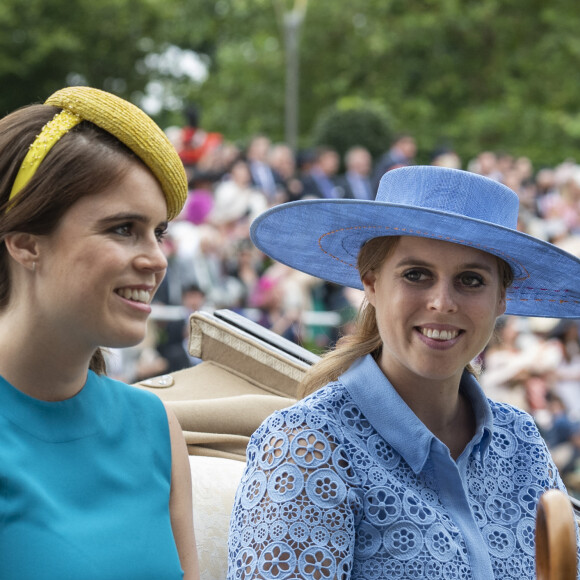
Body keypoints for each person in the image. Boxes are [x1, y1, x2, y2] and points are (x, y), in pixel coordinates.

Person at [227, 165, 580, 578]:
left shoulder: (519, 441)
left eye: (470, 280)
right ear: (371, 282)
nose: (442, 302)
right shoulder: (309, 447)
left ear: (502, 298)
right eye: (416, 275)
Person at [0, 86, 199, 579]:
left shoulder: (155, 427)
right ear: (26, 244)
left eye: (159, 232)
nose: (157, 259)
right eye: (123, 228)